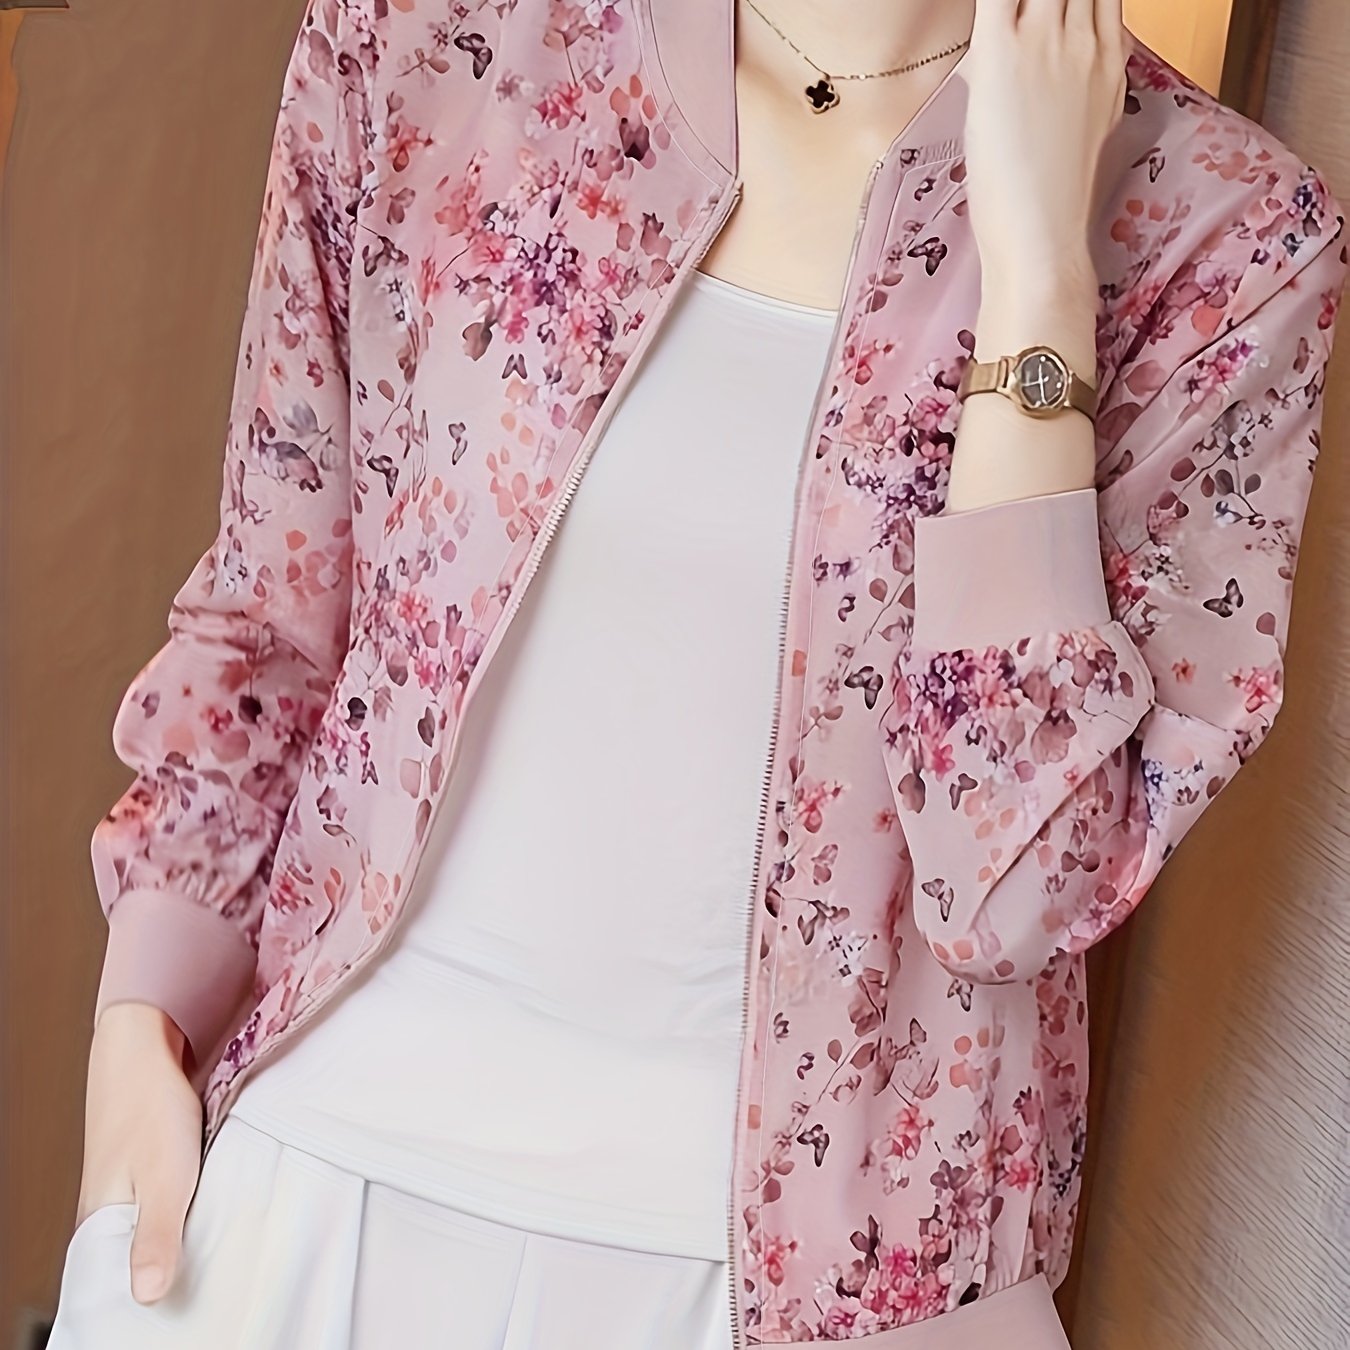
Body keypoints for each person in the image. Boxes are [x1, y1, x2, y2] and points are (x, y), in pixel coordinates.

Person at [48, 0, 1345, 1346]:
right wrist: (138, 1020)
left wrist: (1039, 289)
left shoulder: (1226, 239)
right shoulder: (433, 42)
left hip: (829, 1299)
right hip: (310, 1199)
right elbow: (274, 597)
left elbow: (1016, 891)